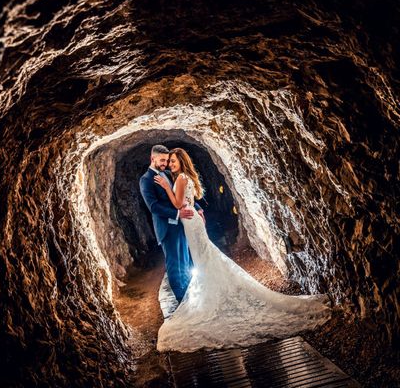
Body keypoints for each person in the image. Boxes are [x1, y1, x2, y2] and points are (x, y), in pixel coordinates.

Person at [153, 147, 331, 352]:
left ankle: (214, 297)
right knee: (206, 258)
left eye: (174, 161)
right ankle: (215, 292)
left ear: (182, 162)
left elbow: (177, 203)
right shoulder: (185, 177)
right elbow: (188, 202)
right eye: (171, 162)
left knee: (204, 259)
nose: (172, 164)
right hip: (192, 221)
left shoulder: (181, 178)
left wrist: (167, 186)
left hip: (190, 223)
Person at [139, 145, 196, 303]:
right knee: (175, 267)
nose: (165, 163)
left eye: (167, 160)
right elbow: (153, 207)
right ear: (153, 158)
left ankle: (189, 296)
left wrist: (197, 208)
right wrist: (177, 213)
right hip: (166, 229)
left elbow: (181, 195)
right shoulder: (146, 180)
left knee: (184, 262)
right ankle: (182, 302)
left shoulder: (166, 174)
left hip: (179, 225)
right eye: (162, 160)